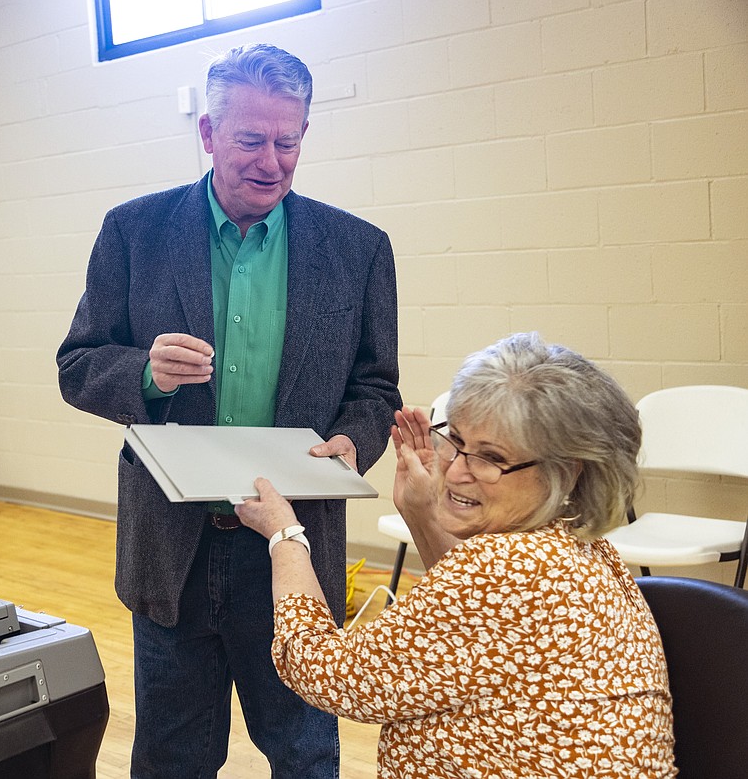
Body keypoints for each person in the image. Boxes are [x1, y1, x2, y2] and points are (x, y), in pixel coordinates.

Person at [57, 43, 400, 777]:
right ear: (208, 134)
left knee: (305, 753)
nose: (271, 161)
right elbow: (77, 366)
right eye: (250, 140)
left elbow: (376, 388)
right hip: (172, 549)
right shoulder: (133, 232)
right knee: (172, 757)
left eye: (289, 140)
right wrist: (144, 372)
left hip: (292, 547)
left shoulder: (360, 250)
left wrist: (354, 438)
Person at [235, 332, 677, 779]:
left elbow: (324, 672)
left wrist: (285, 534)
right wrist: (423, 513)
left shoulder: (506, 568)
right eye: (457, 441)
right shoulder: (578, 545)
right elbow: (468, 625)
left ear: (566, 470)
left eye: (490, 458)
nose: (457, 470)